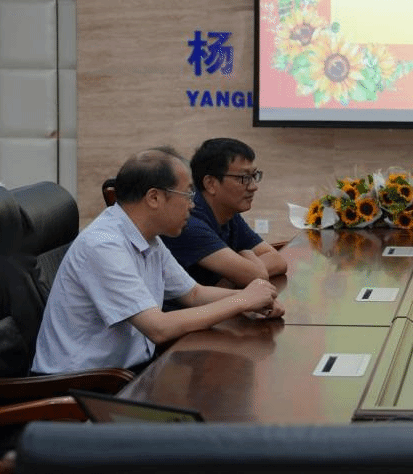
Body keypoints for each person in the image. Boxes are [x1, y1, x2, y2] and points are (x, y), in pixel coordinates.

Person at [32, 148, 284, 374]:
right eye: (187, 194)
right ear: (154, 198)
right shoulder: (103, 245)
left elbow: (194, 294)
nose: (192, 205)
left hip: (125, 373)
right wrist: (241, 300)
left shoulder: (148, 237)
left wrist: (255, 301)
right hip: (80, 385)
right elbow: (158, 328)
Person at [163, 138, 287, 287]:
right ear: (210, 184)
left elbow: (277, 261)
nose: (253, 187)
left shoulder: (227, 212)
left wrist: (232, 277)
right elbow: (255, 275)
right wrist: (247, 260)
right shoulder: (189, 222)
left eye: (254, 176)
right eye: (244, 178)